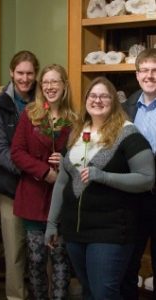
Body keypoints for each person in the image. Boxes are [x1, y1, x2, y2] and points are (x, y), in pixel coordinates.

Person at [45, 76, 155, 300]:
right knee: (88, 292)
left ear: (114, 101)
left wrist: (104, 176)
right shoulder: (77, 133)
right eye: (93, 96)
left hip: (111, 231)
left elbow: (146, 179)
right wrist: (51, 223)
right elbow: (63, 181)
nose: (98, 100)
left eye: (104, 96)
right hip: (76, 231)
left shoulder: (129, 134)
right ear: (86, 100)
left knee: (104, 293)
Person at [11, 64, 75, 299]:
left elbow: (83, 158)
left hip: (61, 202)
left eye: (55, 81)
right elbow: (17, 152)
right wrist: (44, 171)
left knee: (60, 258)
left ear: (64, 85)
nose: (49, 87)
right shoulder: (30, 115)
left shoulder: (74, 120)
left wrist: (65, 161)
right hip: (34, 197)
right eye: (45, 82)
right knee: (36, 260)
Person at [0, 50, 40, 300]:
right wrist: (29, 168)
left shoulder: (46, 98)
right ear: (11, 72)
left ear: (36, 74)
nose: (25, 78)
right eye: (20, 73)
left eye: (29, 73)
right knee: (15, 250)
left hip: (43, 188)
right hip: (11, 188)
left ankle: (44, 294)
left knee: (44, 248)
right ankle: (16, 297)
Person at [121, 48, 156, 300]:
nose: (150, 75)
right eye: (144, 70)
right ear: (137, 74)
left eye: (155, 70)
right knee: (129, 259)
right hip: (133, 197)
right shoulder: (126, 107)